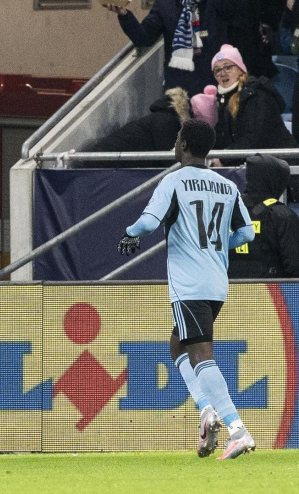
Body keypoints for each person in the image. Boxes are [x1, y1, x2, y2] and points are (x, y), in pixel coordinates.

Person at [118, 119, 256, 460]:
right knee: (178, 342)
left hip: (188, 282)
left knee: (200, 354)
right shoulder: (226, 186)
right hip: (216, 283)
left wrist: (130, 232)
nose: (175, 143)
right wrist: (219, 247)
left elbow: (149, 222)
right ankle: (206, 409)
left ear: (183, 145)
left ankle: (237, 429)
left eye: (177, 138)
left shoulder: (175, 181)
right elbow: (247, 234)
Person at [103, 0, 229, 96]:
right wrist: (124, 15)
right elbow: (145, 38)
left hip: (215, 86)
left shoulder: (217, 3)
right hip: (179, 91)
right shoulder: (165, 5)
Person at [80, 85, 219, 168]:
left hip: (110, 166)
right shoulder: (168, 123)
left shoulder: (168, 118)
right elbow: (168, 163)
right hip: (101, 167)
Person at [209, 44, 297, 166]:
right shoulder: (224, 99)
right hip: (255, 166)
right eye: (217, 70)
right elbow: (220, 137)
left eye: (228, 67)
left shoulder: (257, 95)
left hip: (281, 168)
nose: (222, 73)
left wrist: (224, 159)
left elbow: (254, 138)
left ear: (240, 69)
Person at [228, 154, 299, 277]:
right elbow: (294, 266)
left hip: (228, 291)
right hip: (273, 292)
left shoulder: (228, 208)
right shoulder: (282, 215)